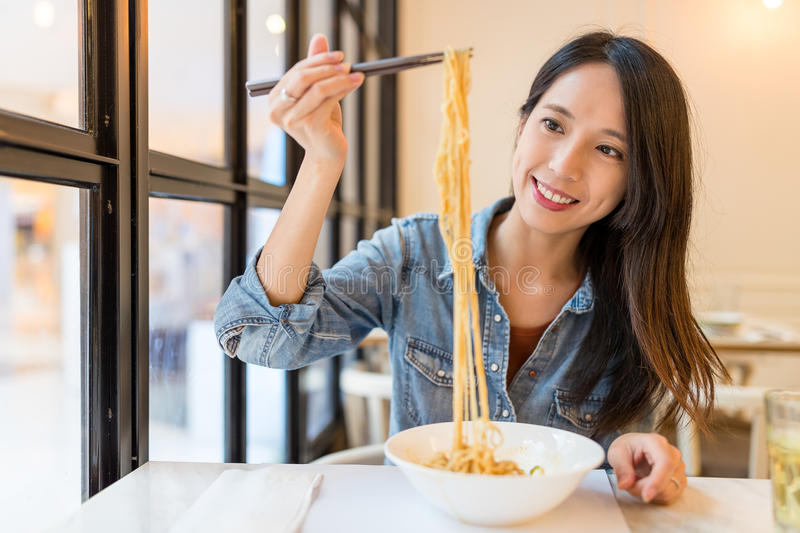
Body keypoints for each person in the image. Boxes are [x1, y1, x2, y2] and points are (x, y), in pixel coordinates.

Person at [214, 31, 729, 505]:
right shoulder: (414, 253)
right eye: (553, 124)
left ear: (640, 179)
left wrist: (634, 451)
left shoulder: (633, 300)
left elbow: (616, 453)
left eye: (608, 149)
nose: (564, 165)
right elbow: (257, 335)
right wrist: (321, 161)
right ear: (523, 122)